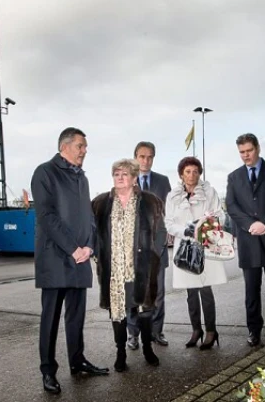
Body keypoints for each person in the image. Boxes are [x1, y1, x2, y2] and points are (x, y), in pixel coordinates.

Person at [30, 127, 109, 395]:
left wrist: (90, 245)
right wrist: (73, 248)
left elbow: (88, 216)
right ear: (65, 146)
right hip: (56, 259)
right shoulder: (45, 173)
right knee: (50, 318)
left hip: (80, 258)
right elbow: (47, 216)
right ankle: (48, 371)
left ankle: (77, 361)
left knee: (76, 317)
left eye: (85, 147)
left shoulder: (81, 178)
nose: (84, 151)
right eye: (80, 146)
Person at [92, 159, 164, 372]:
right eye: (116, 174)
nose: (120, 177)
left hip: (141, 267)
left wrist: (154, 254)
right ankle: (120, 352)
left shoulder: (151, 202)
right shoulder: (100, 203)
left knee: (144, 311)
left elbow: (160, 232)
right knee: (118, 312)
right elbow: (92, 232)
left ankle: (148, 348)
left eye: (125, 174)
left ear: (134, 178)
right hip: (113, 271)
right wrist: (98, 254)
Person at [225, 133, 265, 347]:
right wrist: (249, 225)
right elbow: (232, 206)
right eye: (242, 152)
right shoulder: (234, 177)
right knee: (251, 291)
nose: (246, 155)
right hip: (249, 241)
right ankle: (254, 331)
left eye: (249, 151)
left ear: (258, 148)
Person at [164, 157, 228, 350]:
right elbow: (168, 222)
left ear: (199, 173)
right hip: (184, 246)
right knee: (190, 291)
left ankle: (210, 330)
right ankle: (196, 329)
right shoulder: (173, 195)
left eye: (195, 171)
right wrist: (185, 230)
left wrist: (206, 224)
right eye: (187, 172)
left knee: (205, 290)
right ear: (181, 174)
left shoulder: (209, 192)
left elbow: (220, 215)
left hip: (205, 245)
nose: (191, 175)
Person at [126, 141, 172, 349]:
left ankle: (156, 331)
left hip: (157, 248)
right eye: (142, 156)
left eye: (150, 157)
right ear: (135, 157)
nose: (146, 160)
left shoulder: (163, 182)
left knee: (158, 293)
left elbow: (168, 214)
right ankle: (133, 334)